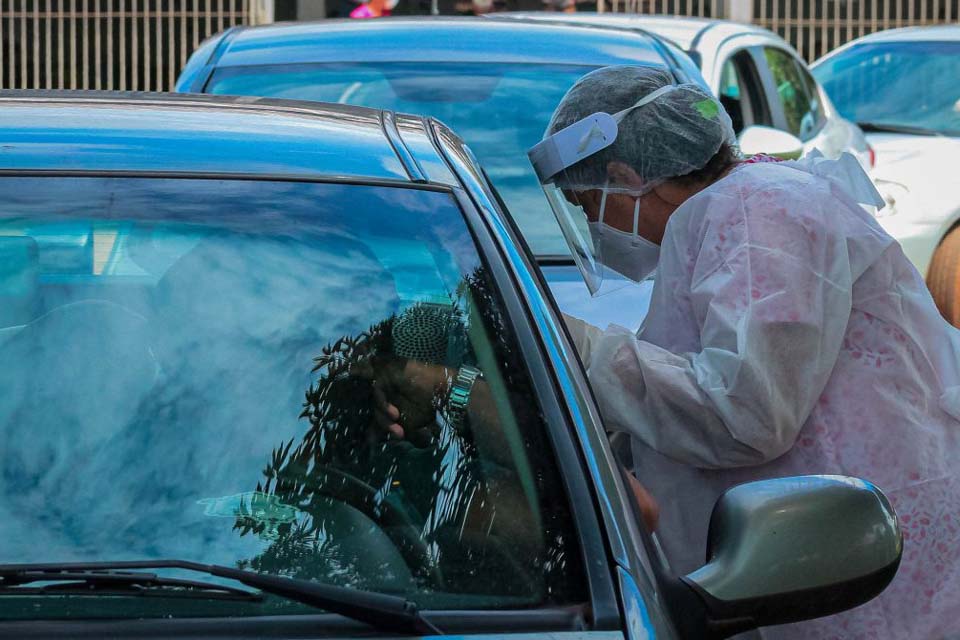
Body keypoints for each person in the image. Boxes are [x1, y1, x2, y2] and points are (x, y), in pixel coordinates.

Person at [529, 64, 960, 639]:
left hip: (857, 572)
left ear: (627, 176)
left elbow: (747, 412)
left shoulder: (760, 216)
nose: (594, 225)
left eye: (589, 205)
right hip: (819, 555)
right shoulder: (740, 209)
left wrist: (580, 352)